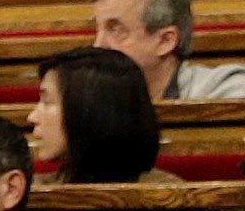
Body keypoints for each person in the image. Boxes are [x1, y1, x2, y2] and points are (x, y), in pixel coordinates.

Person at [91, 0, 245, 104]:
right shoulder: (89, 97)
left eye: (115, 29)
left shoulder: (226, 86)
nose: (98, 45)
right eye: (98, 30)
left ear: (166, 41)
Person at [30, 46, 163, 185]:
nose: (32, 117)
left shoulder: (171, 198)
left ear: (88, 111)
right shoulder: (25, 195)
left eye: (47, 101)